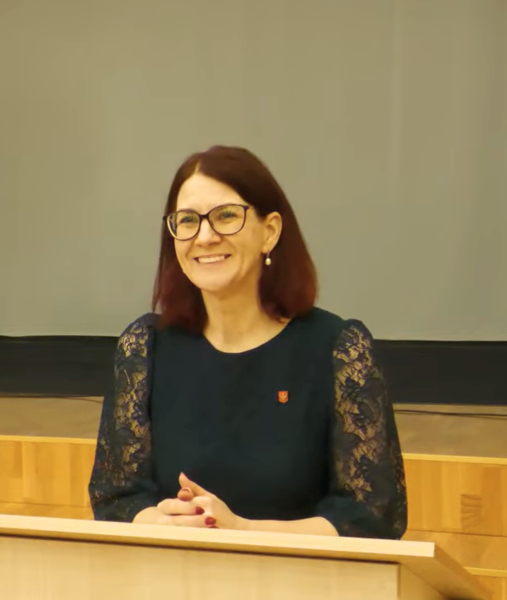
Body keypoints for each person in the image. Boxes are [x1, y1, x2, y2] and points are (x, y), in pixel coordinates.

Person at [88, 145, 407, 538]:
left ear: (269, 231)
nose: (205, 236)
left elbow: (371, 518)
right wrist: (165, 520)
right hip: (174, 569)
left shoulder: (340, 349)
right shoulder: (144, 348)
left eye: (226, 216)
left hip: (301, 574)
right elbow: (116, 498)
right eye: (187, 221)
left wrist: (243, 531)